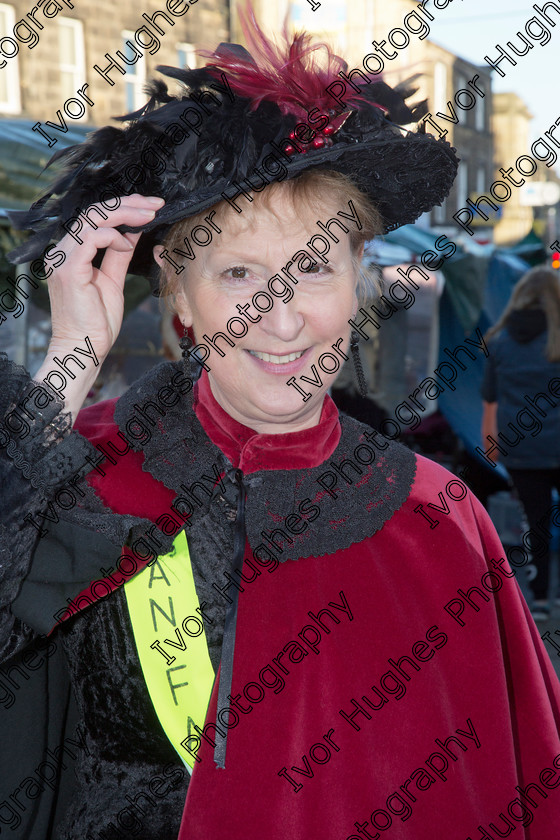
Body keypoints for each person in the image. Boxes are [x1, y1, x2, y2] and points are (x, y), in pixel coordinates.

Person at [2, 9, 560, 840]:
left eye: (313, 269)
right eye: (236, 272)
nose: (282, 315)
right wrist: (72, 358)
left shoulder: (438, 518)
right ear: (180, 299)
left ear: (358, 284)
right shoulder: (78, 482)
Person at [481, 266, 560, 620]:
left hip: (521, 449)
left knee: (536, 522)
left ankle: (541, 599)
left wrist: (491, 448)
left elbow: (490, 402)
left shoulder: (499, 342)